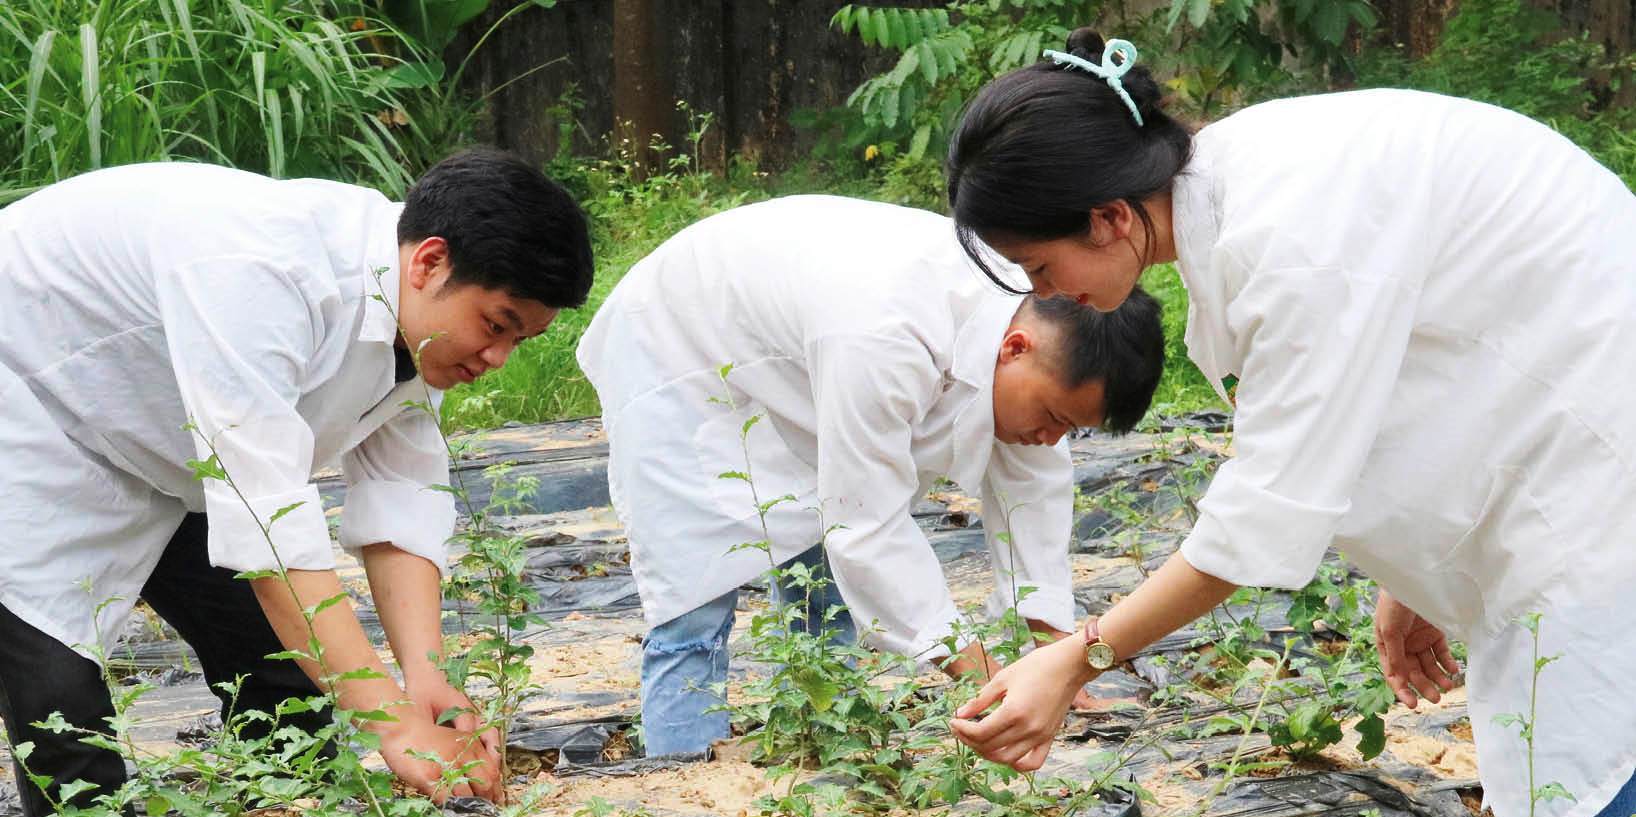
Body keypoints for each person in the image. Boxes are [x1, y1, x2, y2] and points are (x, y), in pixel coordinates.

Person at [938, 28, 1636, 817]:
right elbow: (1401, 377)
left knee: (1589, 750)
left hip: (1596, 451)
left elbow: (1266, 504)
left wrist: (1078, 657)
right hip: (1554, 434)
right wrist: (1411, 569)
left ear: (1106, 219)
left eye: (1039, 268)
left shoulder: (1287, 232)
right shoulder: (1246, 189)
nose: (1050, 294)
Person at [0, 150, 594, 812]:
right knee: (62, 704)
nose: (497, 359)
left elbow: (401, 500)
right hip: (29, 396)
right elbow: (269, 528)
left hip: (161, 436)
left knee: (285, 678)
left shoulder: (414, 324)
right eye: (496, 326)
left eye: (520, 341)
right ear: (429, 262)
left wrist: (426, 678)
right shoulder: (262, 273)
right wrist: (392, 723)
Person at [575, 195, 1165, 756]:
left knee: (820, 578)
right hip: (683, 342)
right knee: (695, 596)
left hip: (800, 353)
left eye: (1071, 430)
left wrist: (1053, 655)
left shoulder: (1031, 321)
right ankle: (678, 777)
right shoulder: (885, 332)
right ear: (1014, 348)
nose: (1049, 438)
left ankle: (818, 744)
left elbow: (1033, 488)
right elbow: (867, 521)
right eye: (1054, 418)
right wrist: (981, 673)